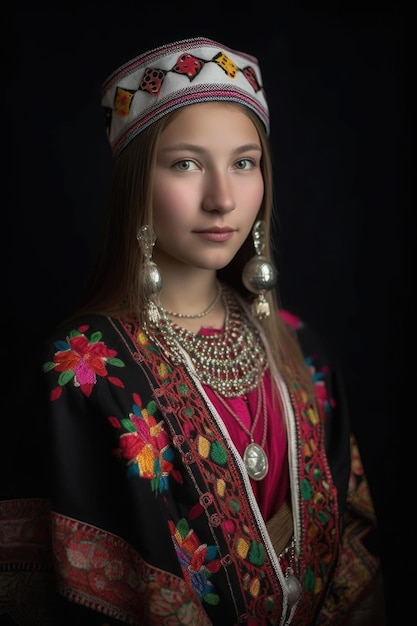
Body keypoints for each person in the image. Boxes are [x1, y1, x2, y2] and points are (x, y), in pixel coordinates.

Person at [1, 36, 385, 625]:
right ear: (137, 187)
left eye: (243, 162)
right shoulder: (82, 370)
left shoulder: (300, 350)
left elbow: (356, 563)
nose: (223, 198)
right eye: (186, 164)